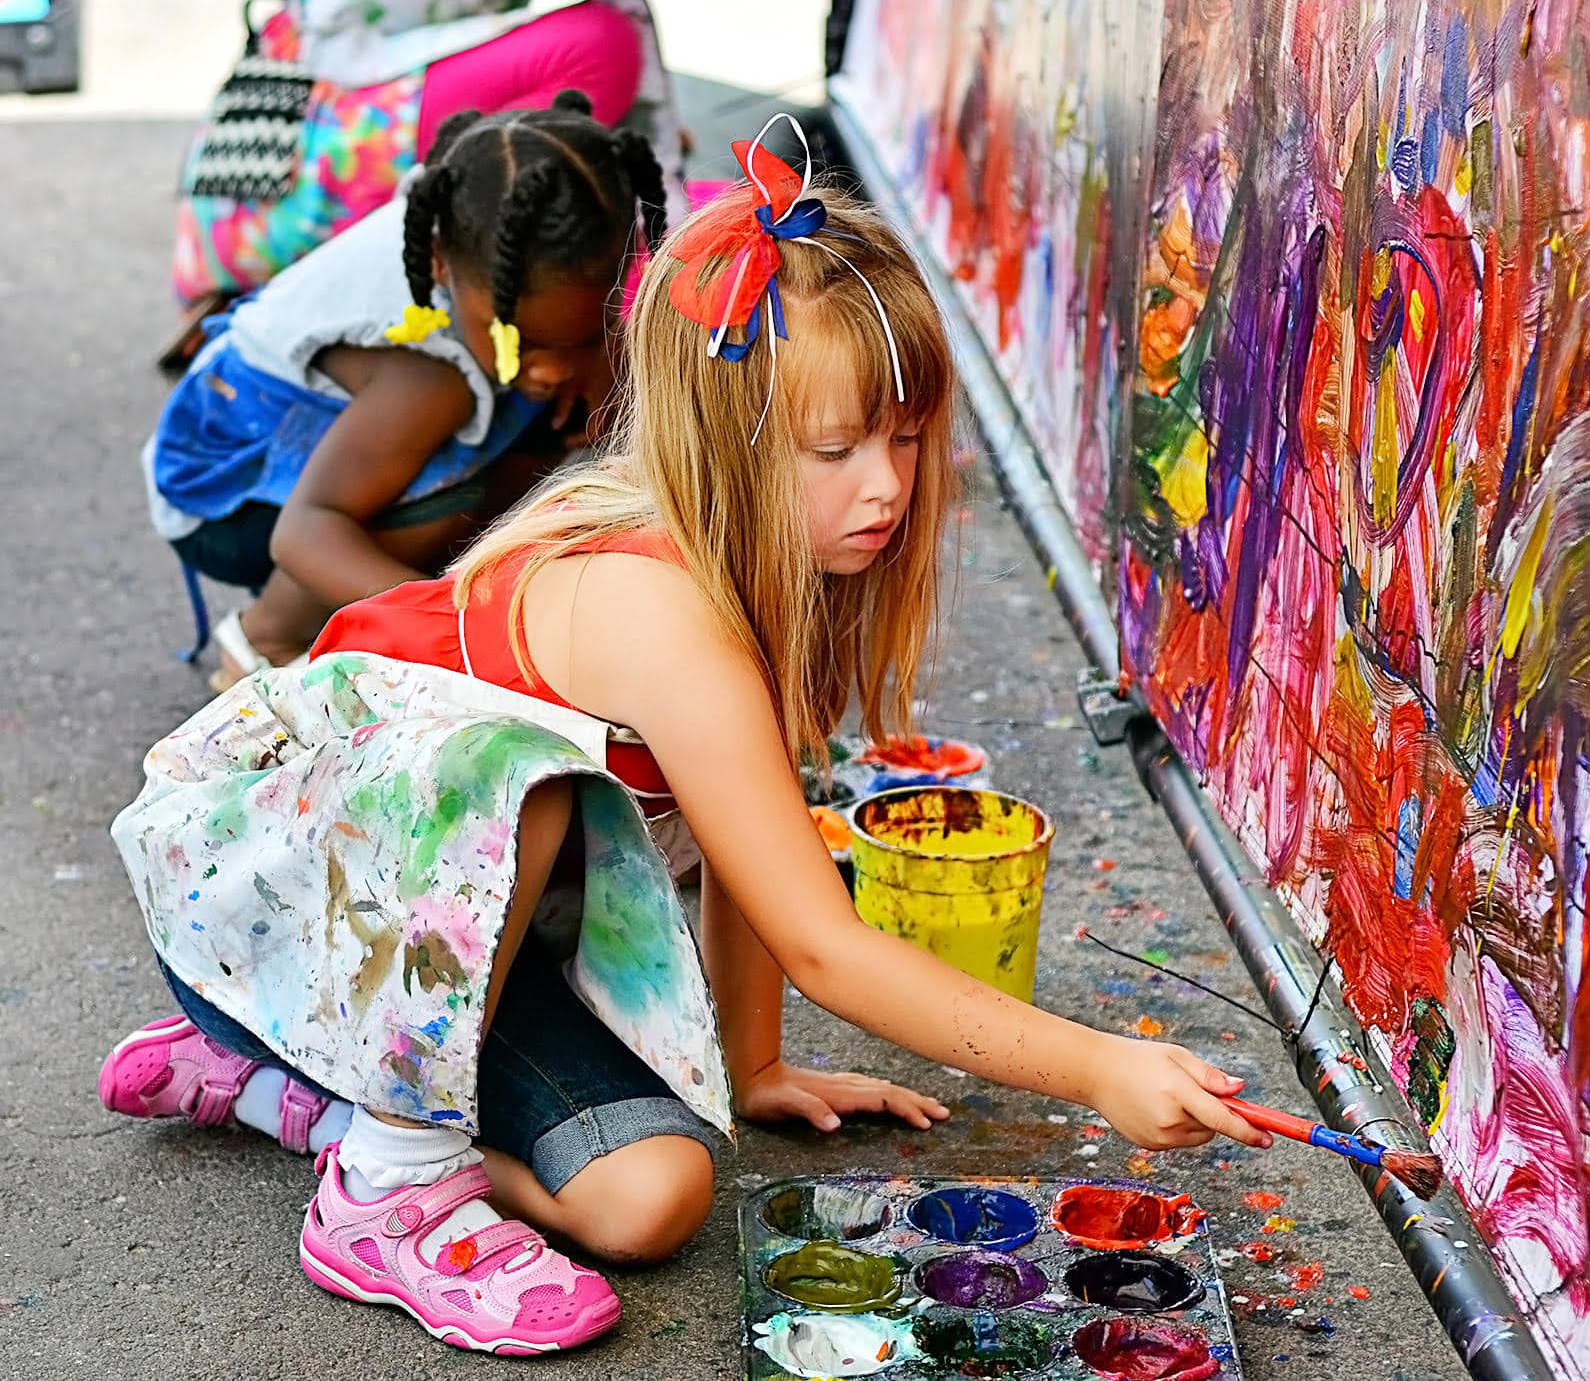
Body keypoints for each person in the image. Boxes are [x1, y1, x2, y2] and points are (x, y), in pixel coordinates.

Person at [101, 122, 1269, 1354]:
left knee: (651, 1196)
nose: (885, 486)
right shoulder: (659, 609)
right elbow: (825, 943)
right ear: (726, 446)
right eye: (835, 449)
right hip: (264, 901)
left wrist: (754, 1068)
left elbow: (750, 858)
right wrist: (1095, 1071)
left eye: (907, 437)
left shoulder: (769, 580)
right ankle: (383, 1185)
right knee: (524, 781)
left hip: (405, 950)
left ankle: (295, 1093)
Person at [149, 90, 666, 691]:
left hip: (336, 451)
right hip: (229, 496)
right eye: (519, 339)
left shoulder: (480, 227)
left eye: (577, 332)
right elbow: (307, 529)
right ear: (442, 267)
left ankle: (422, 572)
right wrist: (457, 629)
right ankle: (269, 635)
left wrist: (601, 350)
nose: (550, 369)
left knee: (582, 402)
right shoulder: (427, 374)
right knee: (462, 489)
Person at [168, 0, 684, 348]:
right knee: (601, 46)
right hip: (308, 166)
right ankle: (528, 296)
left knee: (601, 107)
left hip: (249, 177)